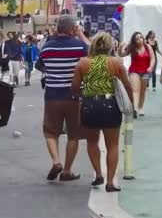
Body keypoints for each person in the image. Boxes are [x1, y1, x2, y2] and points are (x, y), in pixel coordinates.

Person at [71, 33, 133, 192]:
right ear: (111, 46)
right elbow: (127, 85)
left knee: (92, 142)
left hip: (90, 105)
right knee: (112, 145)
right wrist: (130, 104)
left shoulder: (83, 63)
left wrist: (85, 94)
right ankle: (110, 182)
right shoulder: (116, 62)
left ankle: (98, 174)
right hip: (110, 105)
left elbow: (75, 87)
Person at [36, 15, 88, 182]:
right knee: (73, 135)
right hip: (73, 96)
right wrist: (81, 35)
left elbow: (40, 65)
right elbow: (94, 53)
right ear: (73, 29)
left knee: (51, 132)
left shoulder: (47, 48)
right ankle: (66, 171)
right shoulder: (80, 47)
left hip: (52, 96)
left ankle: (56, 161)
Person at [118, 32, 155, 117]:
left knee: (142, 91)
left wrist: (151, 67)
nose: (139, 40)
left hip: (146, 72)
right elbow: (121, 54)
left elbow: (153, 58)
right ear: (134, 41)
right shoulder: (132, 48)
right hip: (134, 71)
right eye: (137, 39)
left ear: (143, 38)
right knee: (135, 90)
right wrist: (120, 47)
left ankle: (141, 107)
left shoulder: (148, 47)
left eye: (141, 38)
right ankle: (135, 108)